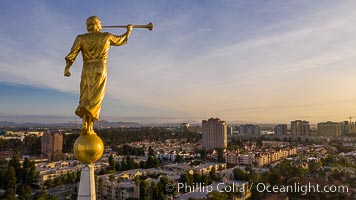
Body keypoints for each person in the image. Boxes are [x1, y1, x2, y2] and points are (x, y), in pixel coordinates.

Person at [64, 16, 133, 135]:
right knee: (96, 98)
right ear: (96, 24)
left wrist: (67, 68)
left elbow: (72, 54)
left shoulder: (81, 38)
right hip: (101, 67)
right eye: (100, 23)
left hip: (87, 68)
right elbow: (121, 40)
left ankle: (85, 124)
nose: (101, 24)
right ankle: (89, 126)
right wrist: (129, 30)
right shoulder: (106, 36)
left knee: (85, 95)